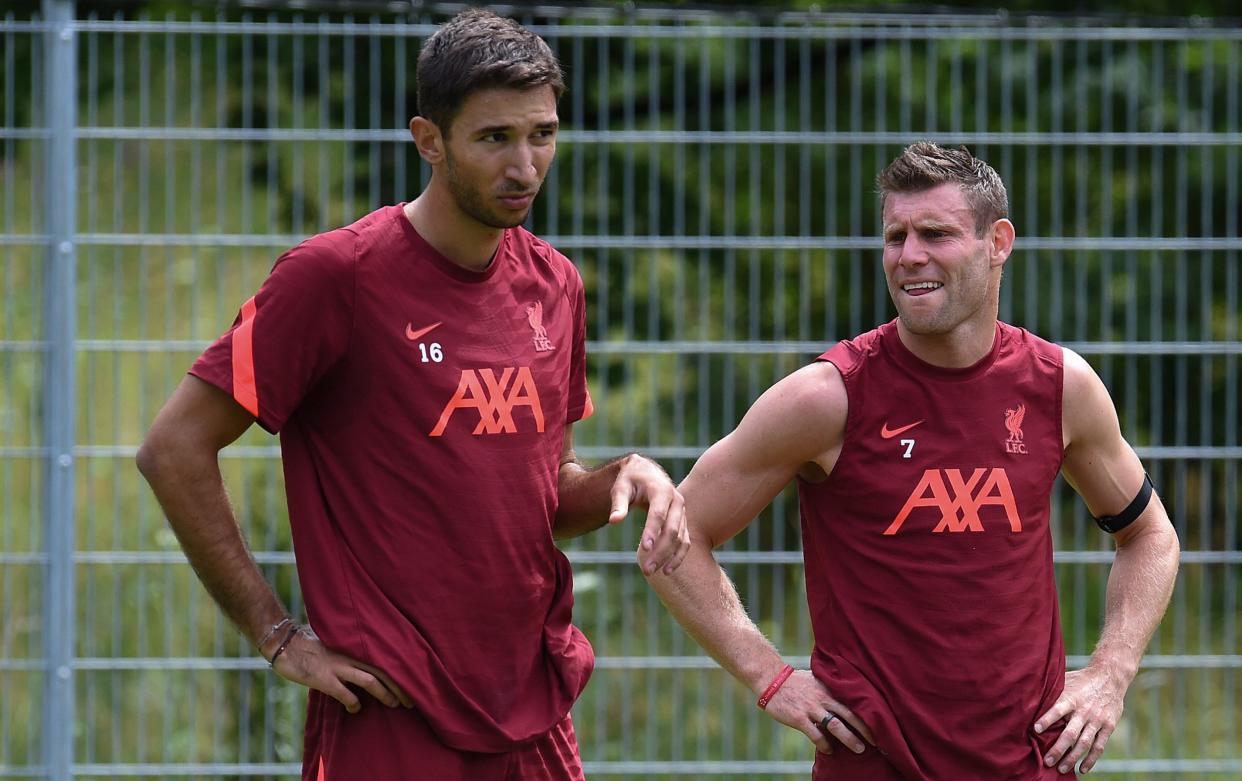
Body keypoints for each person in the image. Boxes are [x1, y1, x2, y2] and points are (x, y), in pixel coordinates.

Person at [137, 10, 688, 781]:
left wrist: (629, 475)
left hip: (531, 705)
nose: (525, 165)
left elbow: (550, 497)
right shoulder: (334, 277)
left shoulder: (555, 284)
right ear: (429, 140)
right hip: (389, 714)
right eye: (494, 138)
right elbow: (172, 449)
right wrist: (277, 635)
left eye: (543, 134)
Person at [646, 142, 1180, 780]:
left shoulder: (1059, 386)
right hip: (875, 765)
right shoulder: (828, 397)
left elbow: (1149, 535)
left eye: (936, 233)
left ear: (998, 242)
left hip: (1030, 762)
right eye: (895, 236)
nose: (910, 256)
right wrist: (771, 678)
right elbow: (673, 538)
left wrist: (1109, 676)